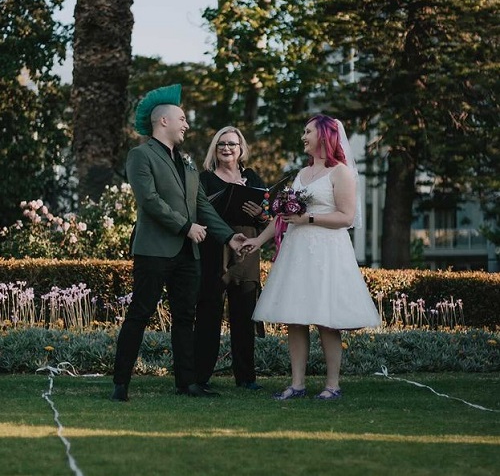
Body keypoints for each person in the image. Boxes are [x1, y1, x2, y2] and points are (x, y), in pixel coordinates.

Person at [111, 84, 247, 401]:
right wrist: (186, 227)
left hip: (189, 255)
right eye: (182, 119)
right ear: (164, 122)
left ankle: (187, 384)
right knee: (139, 314)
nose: (186, 125)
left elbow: (203, 206)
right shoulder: (140, 155)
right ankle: (121, 384)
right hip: (154, 251)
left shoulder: (187, 162)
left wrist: (229, 235)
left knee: (186, 319)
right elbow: (149, 200)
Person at [242, 114, 381, 400]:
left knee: (326, 318)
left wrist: (309, 218)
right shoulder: (301, 175)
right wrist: (258, 240)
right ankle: (297, 384)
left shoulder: (340, 172)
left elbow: (346, 216)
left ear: (324, 135)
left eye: (308, 132)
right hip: (297, 250)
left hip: (328, 250)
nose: (303, 137)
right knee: (295, 317)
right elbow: (283, 218)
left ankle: (332, 385)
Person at [194, 126, 268, 391]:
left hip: (247, 249)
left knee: (244, 316)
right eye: (222, 144)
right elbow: (198, 214)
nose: (227, 148)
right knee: (208, 315)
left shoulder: (252, 177)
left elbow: (268, 218)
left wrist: (260, 214)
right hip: (214, 251)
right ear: (215, 148)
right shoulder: (204, 180)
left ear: (241, 149)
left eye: (232, 144)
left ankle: (246, 378)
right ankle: (199, 377)